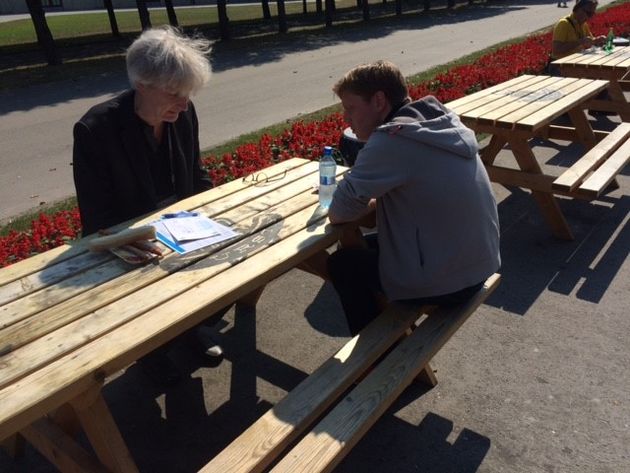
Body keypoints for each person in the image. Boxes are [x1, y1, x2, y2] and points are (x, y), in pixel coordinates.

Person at [73, 26, 222, 385]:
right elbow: (96, 217)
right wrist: (133, 242)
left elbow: (195, 173)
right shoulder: (96, 129)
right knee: (150, 283)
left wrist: (214, 212)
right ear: (141, 84)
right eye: (174, 93)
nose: (184, 104)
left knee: (234, 266)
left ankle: (187, 330)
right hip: (130, 238)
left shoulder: (182, 112)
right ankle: (151, 350)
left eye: (188, 93)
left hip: (179, 226)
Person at [326, 60, 501, 336]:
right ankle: (386, 337)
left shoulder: (392, 140)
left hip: (450, 282)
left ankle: (379, 354)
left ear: (379, 101)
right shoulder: (440, 123)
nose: (346, 119)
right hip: (480, 262)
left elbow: (339, 212)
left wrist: (362, 201)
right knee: (363, 247)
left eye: (351, 108)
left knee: (342, 264)